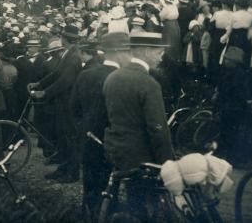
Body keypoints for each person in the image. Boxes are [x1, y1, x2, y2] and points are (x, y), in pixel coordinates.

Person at [103, 31, 174, 221]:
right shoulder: (148, 83)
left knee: (134, 203)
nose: (162, 56)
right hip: (143, 159)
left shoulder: (112, 78)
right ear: (144, 51)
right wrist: (168, 162)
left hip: (118, 153)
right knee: (148, 207)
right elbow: (158, 129)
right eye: (158, 52)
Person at [70, 33, 132, 218]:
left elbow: (74, 108)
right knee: (111, 185)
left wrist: (86, 128)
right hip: (115, 140)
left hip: (90, 138)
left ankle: (89, 214)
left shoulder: (86, 75)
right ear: (121, 53)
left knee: (90, 184)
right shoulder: (124, 77)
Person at [29, 24, 83, 182]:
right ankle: (64, 168)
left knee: (69, 138)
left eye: (61, 37)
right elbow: (56, 74)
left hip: (68, 103)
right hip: (62, 102)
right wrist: (39, 84)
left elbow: (65, 81)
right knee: (63, 137)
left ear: (65, 39)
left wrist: (45, 92)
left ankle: (71, 173)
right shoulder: (68, 54)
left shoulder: (74, 57)